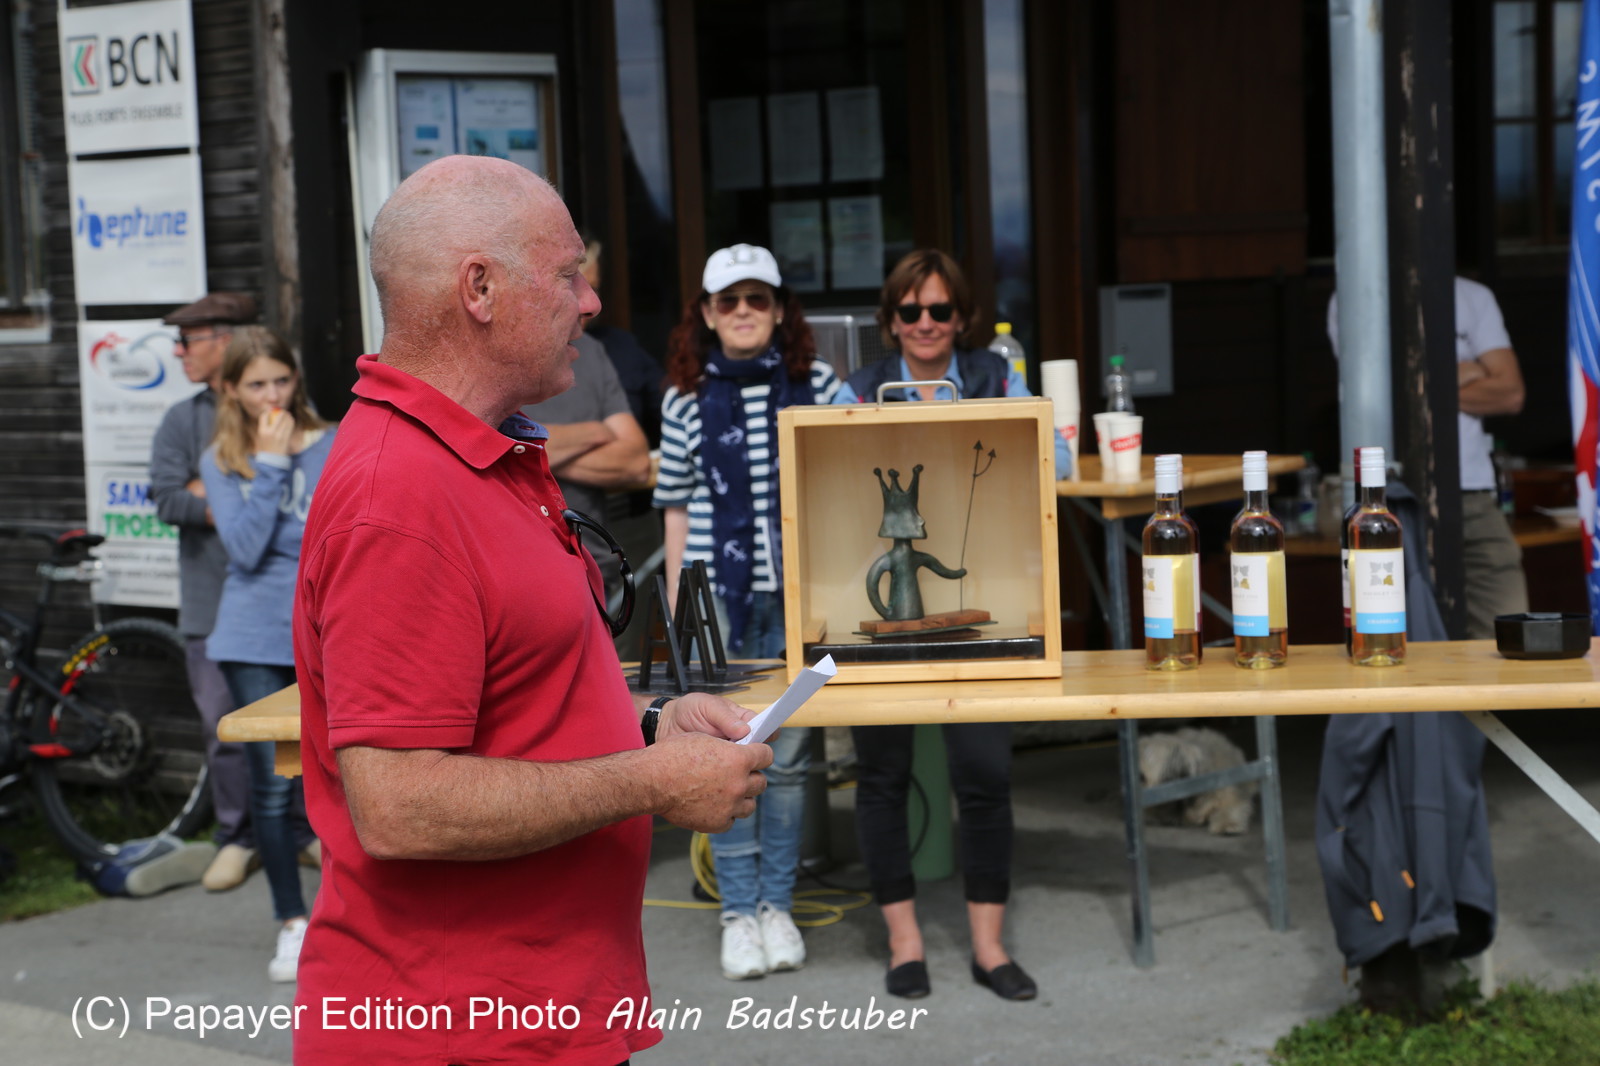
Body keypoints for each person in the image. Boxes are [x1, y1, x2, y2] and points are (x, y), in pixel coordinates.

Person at [291, 154, 771, 1065]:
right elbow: (399, 803)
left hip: (528, 1017)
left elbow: (516, 710)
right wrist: (650, 782)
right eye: (566, 275)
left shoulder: (476, 456)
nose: (591, 302)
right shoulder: (401, 495)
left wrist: (655, 729)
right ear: (479, 288)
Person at [832, 248, 1039, 1002]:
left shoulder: (999, 375)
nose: (926, 324)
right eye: (911, 311)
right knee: (881, 777)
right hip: (879, 621)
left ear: (963, 318)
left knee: (984, 776)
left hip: (988, 607)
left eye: (940, 310)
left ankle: (989, 947)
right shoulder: (852, 389)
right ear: (889, 321)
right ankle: (905, 942)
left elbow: (1045, 458)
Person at [653, 244, 841, 981]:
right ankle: (737, 913)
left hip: (799, 597)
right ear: (705, 313)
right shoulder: (683, 395)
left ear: (778, 309)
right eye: (728, 301)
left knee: (789, 763)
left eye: (756, 299)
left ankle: (777, 906)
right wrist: (676, 600)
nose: (741, 313)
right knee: (721, 755)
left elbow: (838, 480)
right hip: (716, 604)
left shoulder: (815, 382)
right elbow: (674, 503)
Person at [200, 326, 334, 982]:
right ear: (230, 389)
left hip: (327, 633)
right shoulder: (222, 459)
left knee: (337, 777)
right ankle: (292, 923)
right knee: (275, 792)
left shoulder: (333, 441)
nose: (272, 395)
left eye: (281, 379)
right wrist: (274, 465)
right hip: (253, 638)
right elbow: (246, 550)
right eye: (256, 385)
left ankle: (352, 915)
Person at [1327, 276, 1529, 636]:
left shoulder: (1473, 295)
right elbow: (1380, 391)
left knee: (1508, 628)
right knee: (1395, 629)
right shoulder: (1357, 292)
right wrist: (1467, 372)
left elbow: (1510, 393)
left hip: (1473, 492)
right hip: (1390, 496)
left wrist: (1424, 384)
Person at [149, 293, 262, 892]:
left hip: (274, 599)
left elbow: (299, 485)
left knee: (295, 723)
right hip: (208, 601)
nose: (179, 352)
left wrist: (213, 489)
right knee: (222, 724)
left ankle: (301, 835)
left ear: (224, 341)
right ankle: (236, 838)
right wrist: (237, 494)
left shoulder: (275, 405)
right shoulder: (180, 419)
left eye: (188, 340)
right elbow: (167, 497)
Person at [520, 330, 650, 593]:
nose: (590, 304)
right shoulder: (478, 351)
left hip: (595, 573)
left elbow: (636, 463)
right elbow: (476, 440)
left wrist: (524, 452)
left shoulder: (589, 350)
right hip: (519, 575)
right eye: (570, 285)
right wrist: (594, 432)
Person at [578, 231, 666, 446]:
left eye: (594, 288)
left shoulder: (619, 347)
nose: (590, 303)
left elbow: (671, 409)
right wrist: (599, 433)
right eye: (573, 288)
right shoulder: (523, 364)